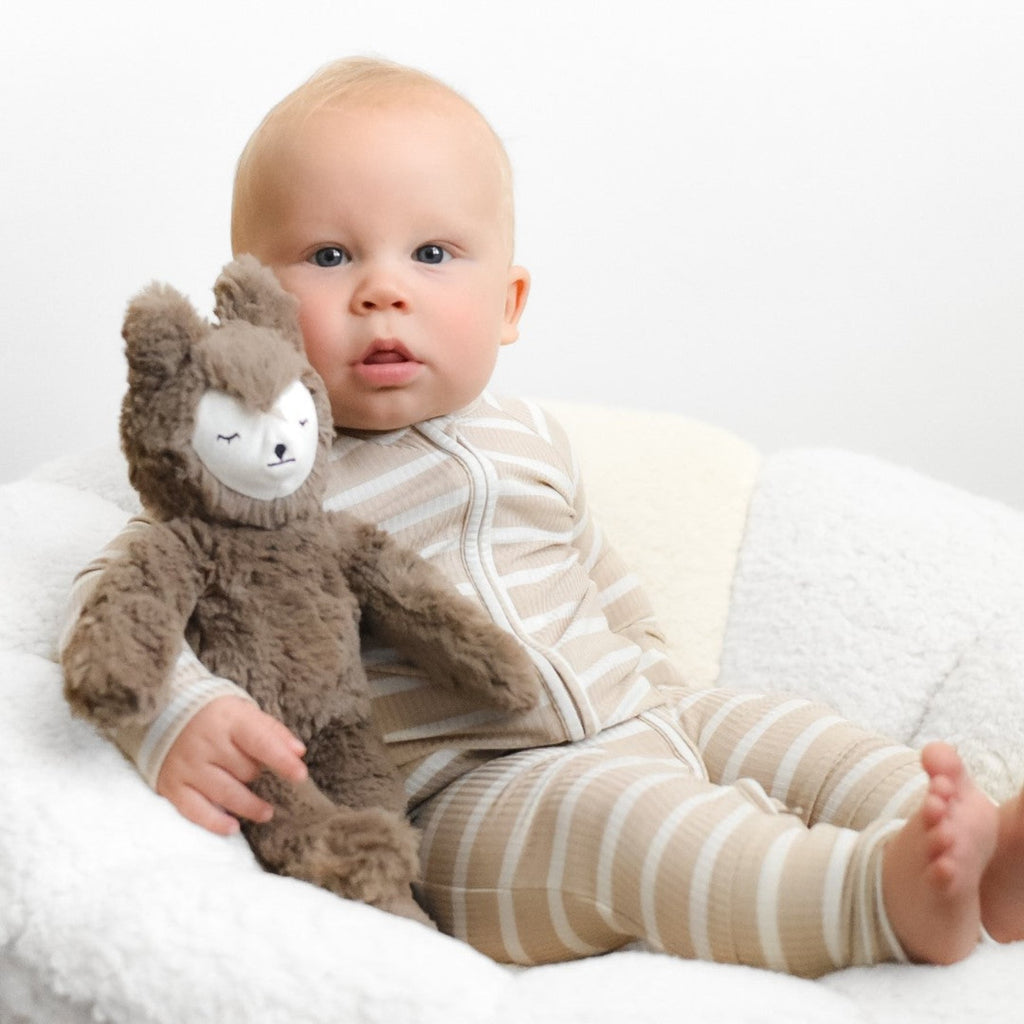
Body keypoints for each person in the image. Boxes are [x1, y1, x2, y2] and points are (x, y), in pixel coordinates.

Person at [63, 56, 1024, 978]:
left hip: (643, 712)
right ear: (256, 308)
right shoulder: (258, 490)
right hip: (474, 801)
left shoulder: (530, 437)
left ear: (509, 301)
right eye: (329, 254)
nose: (383, 287)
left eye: (433, 253)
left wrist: (668, 692)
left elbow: (602, 577)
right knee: (632, 824)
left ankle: (966, 848)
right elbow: (114, 594)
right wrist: (180, 718)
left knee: (787, 731)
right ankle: (875, 899)